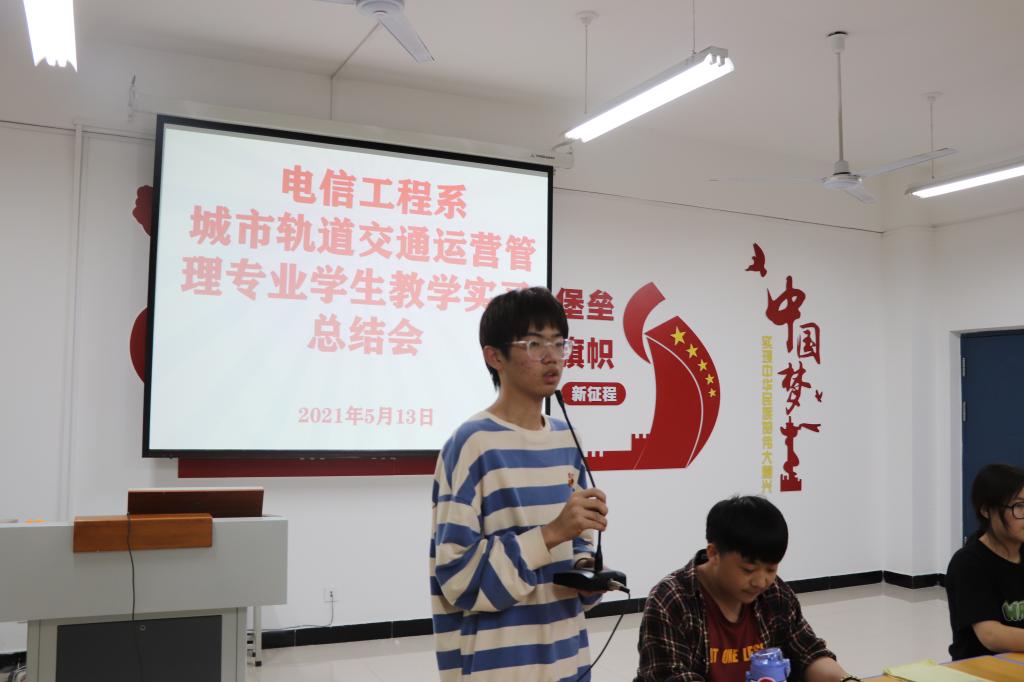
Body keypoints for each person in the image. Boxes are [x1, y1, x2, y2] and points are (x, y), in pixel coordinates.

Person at [429, 287, 608, 681]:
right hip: (499, 665)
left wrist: (585, 569)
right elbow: (457, 577)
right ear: (495, 357)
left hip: (567, 656)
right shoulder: (473, 444)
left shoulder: (567, 438)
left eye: (559, 343)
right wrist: (551, 533)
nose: (552, 356)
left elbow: (578, 542)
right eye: (534, 344)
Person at [635, 496, 859, 682]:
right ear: (713, 554)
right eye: (748, 569)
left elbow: (809, 653)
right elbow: (672, 676)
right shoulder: (671, 600)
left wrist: (846, 680)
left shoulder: (774, 594)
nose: (761, 582)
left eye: (771, 569)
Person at [945, 463, 1024, 660]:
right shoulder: (969, 563)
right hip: (981, 667)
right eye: (1019, 506)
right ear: (986, 510)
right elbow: (991, 635)